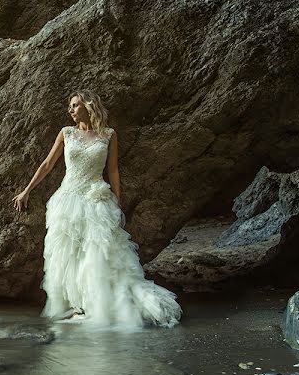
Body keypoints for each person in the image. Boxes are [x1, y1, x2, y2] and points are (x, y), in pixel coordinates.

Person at [12, 90, 181, 328]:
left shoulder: (108, 135)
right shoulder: (66, 133)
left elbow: (113, 171)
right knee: (68, 253)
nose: (70, 110)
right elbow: (48, 164)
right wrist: (27, 190)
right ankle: (75, 305)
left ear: (88, 106)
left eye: (75, 105)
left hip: (96, 198)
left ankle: (98, 306)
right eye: (70, 106)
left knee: (96, 253)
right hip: (68, 198)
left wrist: (117, 200)